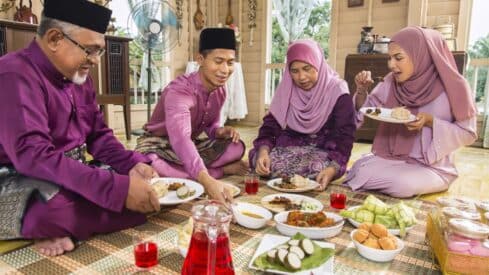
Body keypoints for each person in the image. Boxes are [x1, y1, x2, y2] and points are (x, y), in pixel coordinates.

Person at [0, 0, 161, 256]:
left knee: (135, 183)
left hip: (67, 173)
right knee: (55, 209)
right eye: (90, 50)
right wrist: (116, 190)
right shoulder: (14, 73)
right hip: (17, 176)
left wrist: (131, 164)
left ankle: (60, 226)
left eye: (100, 51)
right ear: (54, 39)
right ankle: (45, 225)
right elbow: (33, 156)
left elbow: (98, 135)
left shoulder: (77, 75)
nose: (96, 61)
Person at [345, 26, 477, 198]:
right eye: (390, 58)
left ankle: (394, 181)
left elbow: (468, 133)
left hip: (431, 166)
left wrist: (431, 122)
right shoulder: (391, 82)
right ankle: (386, 178)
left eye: (398, 58)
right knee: (358, 169)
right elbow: (366, 110)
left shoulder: (454, 86)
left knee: (403, 185)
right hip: (394, 159)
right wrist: (361, 90)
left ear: (421, 54)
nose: (391, 65)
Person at [135, 28, 248, 204]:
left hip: (191, 145)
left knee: (237, 146)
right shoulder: (179, 91)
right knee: (152, 164)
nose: (225, 70)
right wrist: (209, 181)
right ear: (200, 59)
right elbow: (180, 139)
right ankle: (218, 171)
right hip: (159, 145)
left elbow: (210, 127)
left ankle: (194, 171)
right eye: (218, 61)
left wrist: (220, 131)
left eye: (230, 62)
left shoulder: (220, 91)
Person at [249, 39, 356, 190]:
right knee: (264, 162)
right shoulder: (287, 88)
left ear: (318, 64)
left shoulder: (337, 90)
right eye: (294, 71)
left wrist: (332, 168)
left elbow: (345, 136)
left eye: (307, 68)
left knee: (316, 168)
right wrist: (263, 152)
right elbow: (270, 126)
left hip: (323, 151)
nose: (301, 77)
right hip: (289, 147)